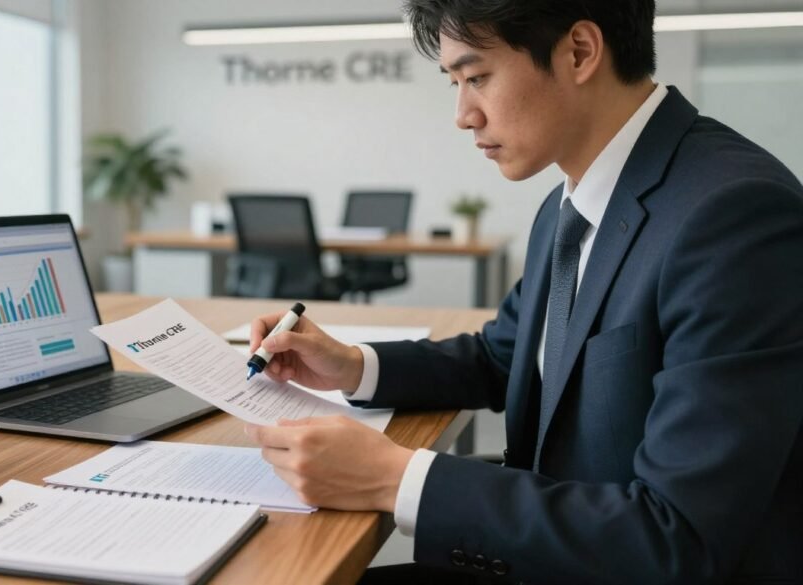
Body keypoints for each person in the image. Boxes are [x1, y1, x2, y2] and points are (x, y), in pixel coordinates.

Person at [244, 1, 803, 583]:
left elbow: (677, 538)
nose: (463, 116)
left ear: (579, 52)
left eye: (477, 77)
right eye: (455, 84)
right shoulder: (569, 202)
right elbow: (504, 355)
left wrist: (394, 478)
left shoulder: (734, 216)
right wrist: (352, 366)